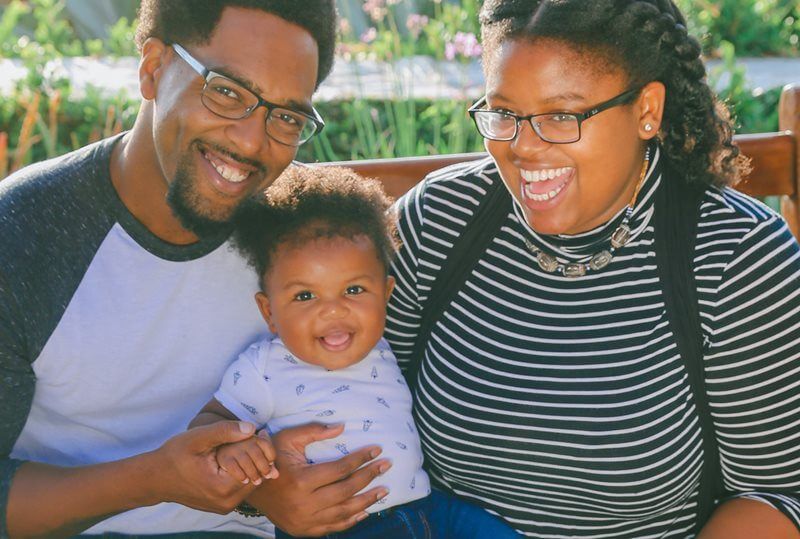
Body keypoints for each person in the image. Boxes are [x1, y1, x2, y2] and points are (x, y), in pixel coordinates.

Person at [380, 1, 800, 538]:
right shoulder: (437, 222)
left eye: (562, 115)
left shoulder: (737, 258)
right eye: (505, 113)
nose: (523, 147)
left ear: (647, 109)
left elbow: (776, 492)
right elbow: (348, 391)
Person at [0, 2, 388, 537]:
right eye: (227, 91)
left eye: (287, 117)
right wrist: (153, 479)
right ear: (153, 67)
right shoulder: (22, 233)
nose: (252, 143)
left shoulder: (301, 234)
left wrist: (264, 495)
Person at [189, 165, 522, 539]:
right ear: (269, 312)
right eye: (304, 295)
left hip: (426, 508)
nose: (332, 310)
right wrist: (237, 451)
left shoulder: (381, 347)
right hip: (338, 527)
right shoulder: (265, 367)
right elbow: (208, 424)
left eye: (353, 291)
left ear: (386, 295)